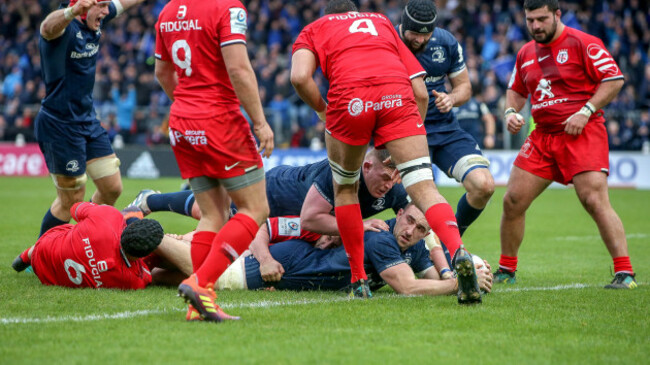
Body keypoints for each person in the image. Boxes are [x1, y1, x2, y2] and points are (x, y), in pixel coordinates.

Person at [290, 0, 481, 303]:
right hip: (397, 98)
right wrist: (406, 131)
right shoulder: (381, 22)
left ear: (330, 16)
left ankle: (358, 279)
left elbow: (299, 77)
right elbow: (419, 89)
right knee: (424, 187)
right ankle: (459, 252)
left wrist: (322, 110)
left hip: (351, 100)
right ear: (355, 11)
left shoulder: (315, 28)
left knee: (346, 191)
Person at [498, 0, 636, 289]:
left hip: (582, 133)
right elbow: (515, 90)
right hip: (542, 137)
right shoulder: (525, 52)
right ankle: (506, 270)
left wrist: (585, 111)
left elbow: (614, 79)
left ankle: (625, 273)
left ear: (557, 15)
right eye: (530, 20)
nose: (535, 26)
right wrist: (511, 112)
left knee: (594, 200)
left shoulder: (583, 43)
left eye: (541, 19)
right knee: (512, 200)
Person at [154, 0, 275, 322]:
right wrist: (260, 122)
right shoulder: (227, 7)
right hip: (219, 120)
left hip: (181, 120)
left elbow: (162, 71)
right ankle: (201, 284)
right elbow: (237, 68)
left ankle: (198, 305)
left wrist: (188, 105)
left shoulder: (167, 11)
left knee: (213, 214)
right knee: (256, 208)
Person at [33, 0, 146, 237]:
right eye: (101, 6)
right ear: (82, 9)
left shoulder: (95, 19)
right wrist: (72, 11)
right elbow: (46, 27)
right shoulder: (63, 29)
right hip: (59, 125)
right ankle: (40, 254)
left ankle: (82, 237)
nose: (106, 12)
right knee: (71, 199)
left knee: (112, 188)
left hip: (87, 121)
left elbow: (123, 3)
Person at [216, 204, 493, 300]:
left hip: (286, 266)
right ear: (398, 214)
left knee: (180, 272)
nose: (410, 231)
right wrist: (460, 284)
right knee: (198, 263)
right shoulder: (378, 236)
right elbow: (408, 287)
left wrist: (467, 273)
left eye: (420, 228)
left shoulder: (414, 246)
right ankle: (170, 237)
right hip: (280, 262)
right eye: (409, 221)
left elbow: (433, 281)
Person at [397, 0, 495, 237]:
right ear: (403, 26)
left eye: (426, 35)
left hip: (445, 129)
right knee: (413, 204)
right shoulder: (388, 43)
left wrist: (451, 99)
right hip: (405, 133)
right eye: (414, 35)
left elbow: (464, 88)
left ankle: (452, 239)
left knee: (484, 185)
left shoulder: (446, 41)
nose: (420, 40)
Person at [11, 203, 166, 290]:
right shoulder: (133, 280)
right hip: (48, 278)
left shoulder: (110, 216)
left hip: (44, 248)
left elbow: (74, 209)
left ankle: (28, 254)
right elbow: (148, 273)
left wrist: (125, 216)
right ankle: (29, 254)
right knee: (82, 233)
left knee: (78, 229)